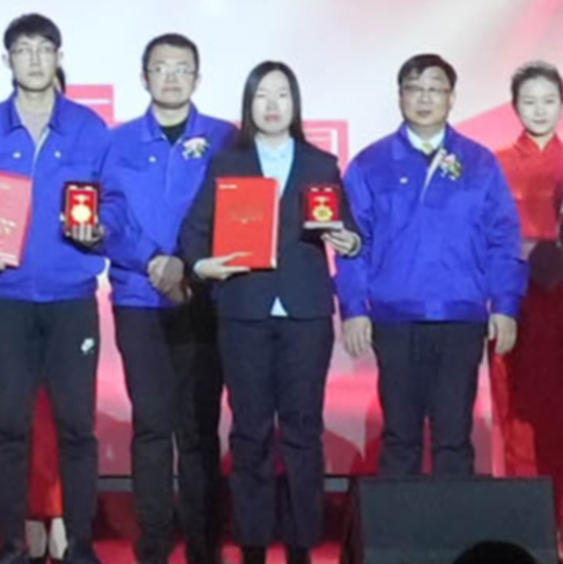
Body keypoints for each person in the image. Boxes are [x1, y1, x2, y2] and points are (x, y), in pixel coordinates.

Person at [0, 15, 114, 564]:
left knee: (77, 427)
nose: (34, 59)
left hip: (71, 299)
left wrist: (101, 230)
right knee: (9, 427)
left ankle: (82, 545)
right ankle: (10, 545)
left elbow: (114, 201)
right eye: (22, 50)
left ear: (59, 56)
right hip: (6, 298)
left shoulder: (90, 129)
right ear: (8, 61)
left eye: (44, 49)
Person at [181, 63, 338, 564]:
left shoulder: (321, 164)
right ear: (249, 105)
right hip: (244, 310)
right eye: (262, 96)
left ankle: (301, 544)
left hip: (305, 312)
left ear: (296, 103)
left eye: (282, 95)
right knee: (250, 431)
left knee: (303, 430)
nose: (272, 105)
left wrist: (349, 240)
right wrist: (202, 266)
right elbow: (194, 231)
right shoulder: (228, 163)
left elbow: (350, 229)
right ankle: (252, 543)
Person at [339, 55, 523, 480]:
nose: (425, 98)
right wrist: (354, 308)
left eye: (435, 89)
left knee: (454, 436)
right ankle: (398, 525)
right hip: (395, 317)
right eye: (415, 88)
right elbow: (352, 243)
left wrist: (505, 305)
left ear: (452, 98)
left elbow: (503, 239)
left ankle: (452, 524)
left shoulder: (479, 162)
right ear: (400, 96)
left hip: (461, 316)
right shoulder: (371, 163)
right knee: (400, 436)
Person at [96, 35, 235, 564]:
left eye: (182, 68)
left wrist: (189, 265)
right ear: (144, 77)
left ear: (197, 77)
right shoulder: (117, 142)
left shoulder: (225, 138)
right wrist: (154, 259)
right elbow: (106, 214)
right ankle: (153, 540)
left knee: (199, 427)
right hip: (139, 296)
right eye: (161, 68)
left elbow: (237, 210)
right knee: (152, 425)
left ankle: (203, 540)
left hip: (205, 297)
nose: (171, 77)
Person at [486, 63, 563, 539]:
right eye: (529, 101)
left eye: (549, 100)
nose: (539, 110)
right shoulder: (492, 163)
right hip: (515, 299)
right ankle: (521, 518)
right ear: (514, 106)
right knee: (516, 409)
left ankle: (561, 518)